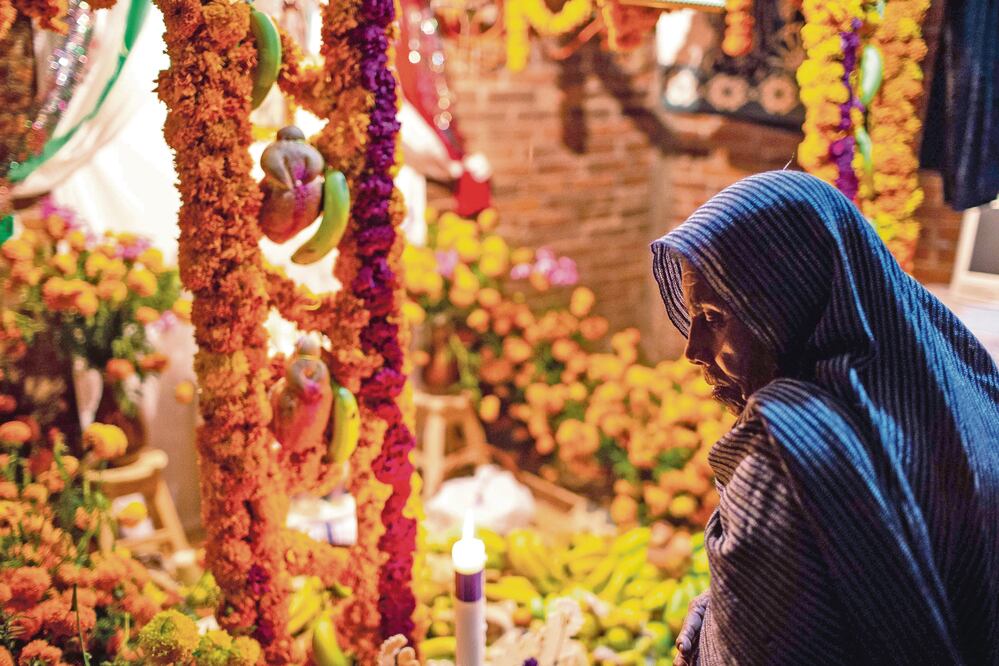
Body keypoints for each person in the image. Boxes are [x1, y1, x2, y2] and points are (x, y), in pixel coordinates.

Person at [650, 171, 999, 666]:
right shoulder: (959, 387)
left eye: (713, 317)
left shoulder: (787, 451)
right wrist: (728, 604)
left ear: (784, 302)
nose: (693, 350)